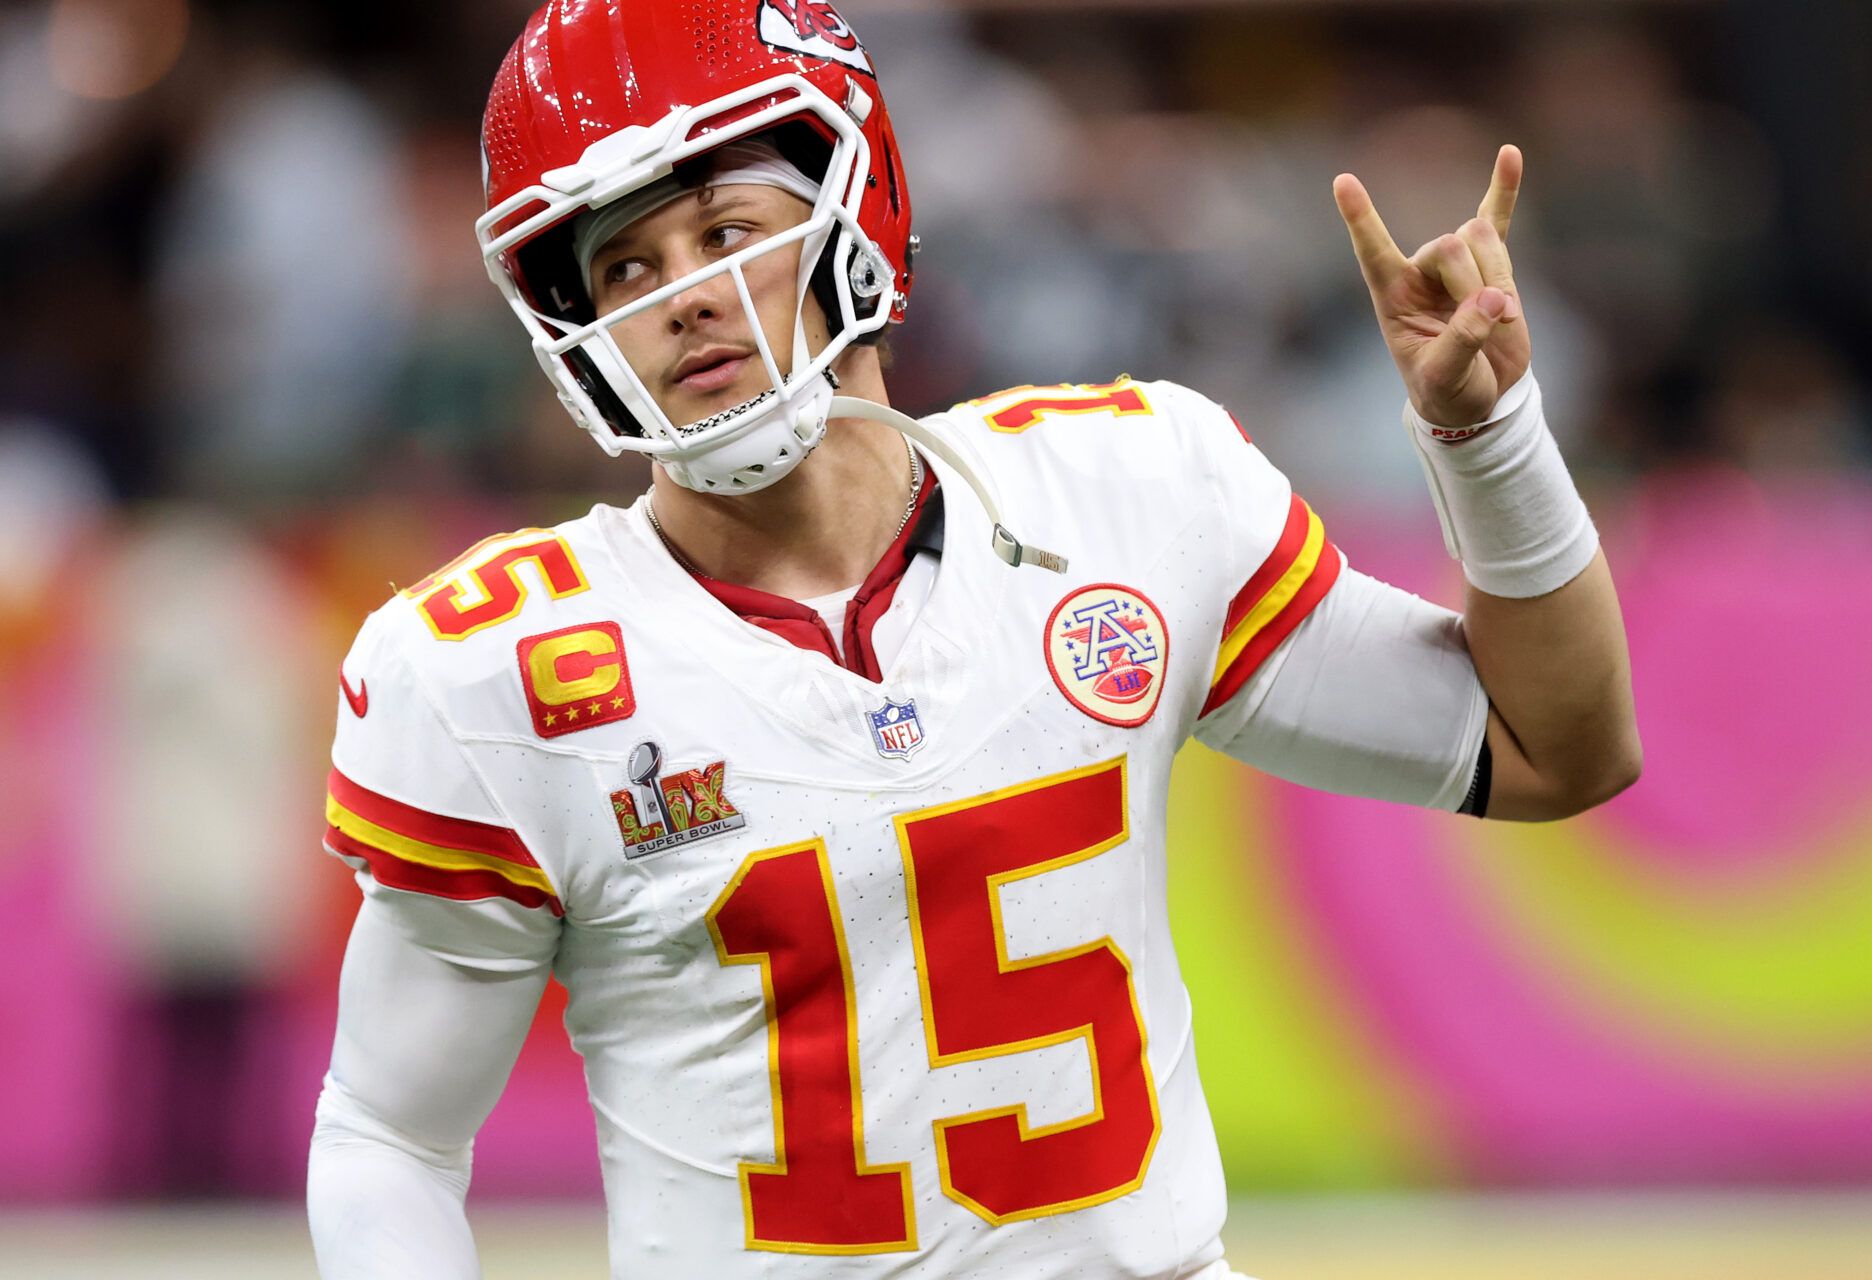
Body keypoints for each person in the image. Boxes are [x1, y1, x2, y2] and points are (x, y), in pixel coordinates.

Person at [306, 2, 1640, 1276]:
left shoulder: (1123, 493)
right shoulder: (499, 675)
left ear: (855, 204)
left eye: (723, 230)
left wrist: (1488, 436)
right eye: (626, 266)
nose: (682, 298)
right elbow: (389, 1134)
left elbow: (1553, 750)